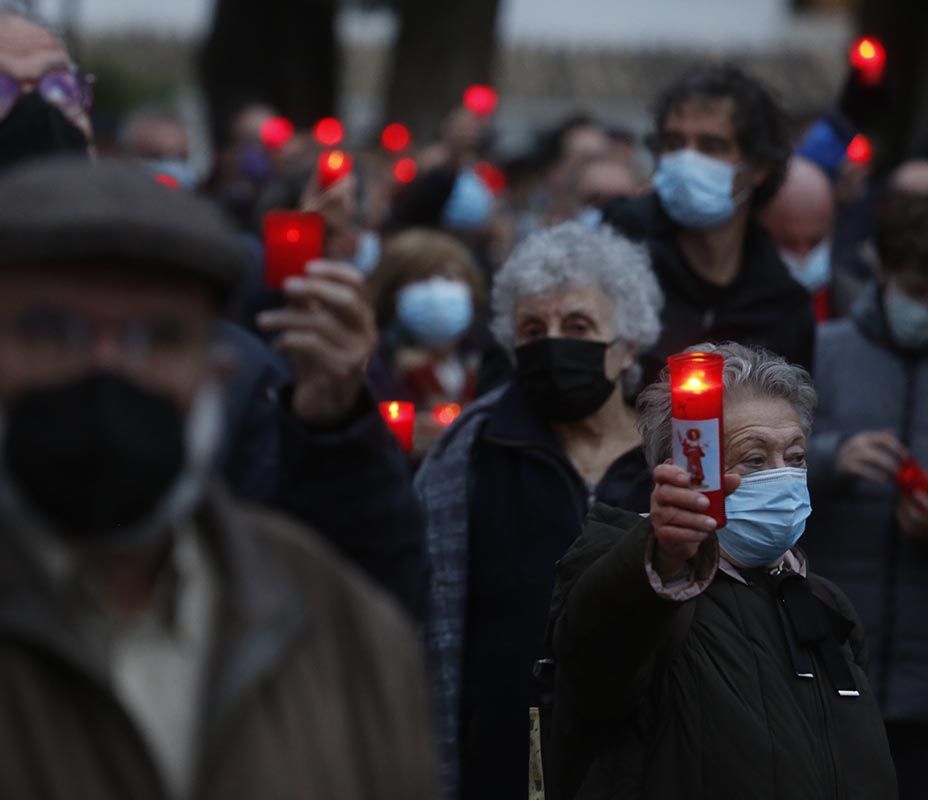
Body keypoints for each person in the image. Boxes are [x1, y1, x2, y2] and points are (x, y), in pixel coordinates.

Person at [0, 156, 439, 799]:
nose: (106, 367)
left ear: (213, 376)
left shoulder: (331, 618)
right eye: (50, 331)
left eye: (156, 337)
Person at [0, 0, 426, 620]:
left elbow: (355, 608)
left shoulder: (231, 371)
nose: (37, 114)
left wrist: (336, 431)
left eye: (63, 89)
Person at [547, 342, 897, 800]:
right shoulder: (640, 582)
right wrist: (663, 554)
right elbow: (596, 648)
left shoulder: (826, 605)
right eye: (754, 460)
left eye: (795, 458)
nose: (783, 477)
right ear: (684, 473)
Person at [416, 222, 662, 799]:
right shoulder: (471, 457)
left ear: (626, 343)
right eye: (533, 328)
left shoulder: (671, 463)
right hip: (502, 764)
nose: (552, 342)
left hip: (650, 760)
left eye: (577, 325)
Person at [802, 165, 928, 799]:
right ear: (886, 275)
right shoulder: (826, 351)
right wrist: (831, 459)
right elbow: (759, 471)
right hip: (833, 669)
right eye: (916, 287)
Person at [602, 64, 815, 384]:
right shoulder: (609, 257)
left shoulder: (783, 307)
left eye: (711, 146)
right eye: (673, 143)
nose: (687, 161)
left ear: (759, 168)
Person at [365, 229, 489, 459]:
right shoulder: (373, 367)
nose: (436, 290)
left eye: (449, 278)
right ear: (392, 294)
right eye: (419, 279)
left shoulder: (489, 362)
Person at [761, 155, 839, 321]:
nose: (803, 258)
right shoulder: (731, 309)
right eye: (787, 243)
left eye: (815, 242)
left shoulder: (851, 303)